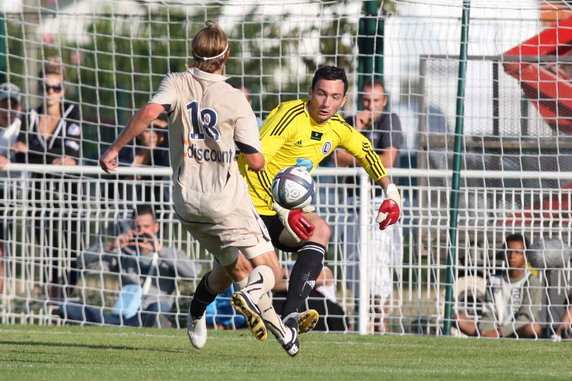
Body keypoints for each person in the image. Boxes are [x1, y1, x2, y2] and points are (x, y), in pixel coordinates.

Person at [100, 22, 301, 356]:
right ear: (228, 55)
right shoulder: (235, 99)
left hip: (188, 202)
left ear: (192, 52)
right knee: (271, 271)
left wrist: (114, 149)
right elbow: (255, 162)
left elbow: (150, 112)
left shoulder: (175, 82)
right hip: (225, 201)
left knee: (232, 270)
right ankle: (251, 299)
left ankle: (205, 314)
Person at [236, 66, 402, 335]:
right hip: (247, 206)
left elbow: (366, 153)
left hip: (283, 211)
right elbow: (258, 164)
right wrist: (282, 208)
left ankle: (290, 318)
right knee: (230, 276)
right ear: (311, 92)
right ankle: (197, 315)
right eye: (322, 94)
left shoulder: (337, 128)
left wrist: (390, 191)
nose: (327, 103)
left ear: (344, 100)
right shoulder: (288, 115)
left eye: (335, 97)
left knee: (321, 230)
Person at [58, 205, 201, 327]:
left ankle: (113, 328)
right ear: (132, 227)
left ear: (156, 227)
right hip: (123, 314)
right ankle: (116, 326)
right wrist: (110, 246)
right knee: (68, 307)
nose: (142, 232)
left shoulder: (169, 253)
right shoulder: (124, 253)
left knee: (160, 308)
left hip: (151, 312)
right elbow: (82, 261)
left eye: (146, 227)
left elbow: (193, 273)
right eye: (137, 227)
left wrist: (159, 249)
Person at [335, 79, 403, 332]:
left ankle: (379, 319)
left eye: (375, 101)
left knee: (379, 264)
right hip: (353, 202)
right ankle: (359, 317)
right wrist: (357, 130)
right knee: (354, 264)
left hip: (378, 202)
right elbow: (337, 158)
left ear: (384, 101)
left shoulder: (390, 121)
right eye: (365, 101)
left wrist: (357, 157)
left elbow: (387, 161)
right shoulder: (350, 122)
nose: (370, 106)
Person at [16, 57, 83, 300]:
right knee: (46, 244)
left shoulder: (71, 112)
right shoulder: (31, 116)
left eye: (56, 87)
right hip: (39, 190)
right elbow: (19, 153)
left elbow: (71, 154)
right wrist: (51, 157)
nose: (51, 92)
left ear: (63, 90)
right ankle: (53, 297)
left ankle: (69, 292)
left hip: (68, 190)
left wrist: (34, 153)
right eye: (46, 88)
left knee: (72, 243)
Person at [455, 234, 543, 338]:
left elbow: (526, 317)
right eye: (508, 251)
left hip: (517, 329)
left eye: (517, 252)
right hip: (495, 327)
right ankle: (486, 336)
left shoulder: (532, 282)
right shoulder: (494, 280)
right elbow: (488, 311)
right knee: (458, 319)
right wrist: (487, 329)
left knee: (534, 328)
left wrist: (501, 332)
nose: (511, 256)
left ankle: (496, 337)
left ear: (526, 257)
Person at [0, 82, 27, 294]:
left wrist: (23, 148)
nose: (8, 109)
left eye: (13, 104)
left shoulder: (24, 125)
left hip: (14, 193)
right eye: (3, 104)